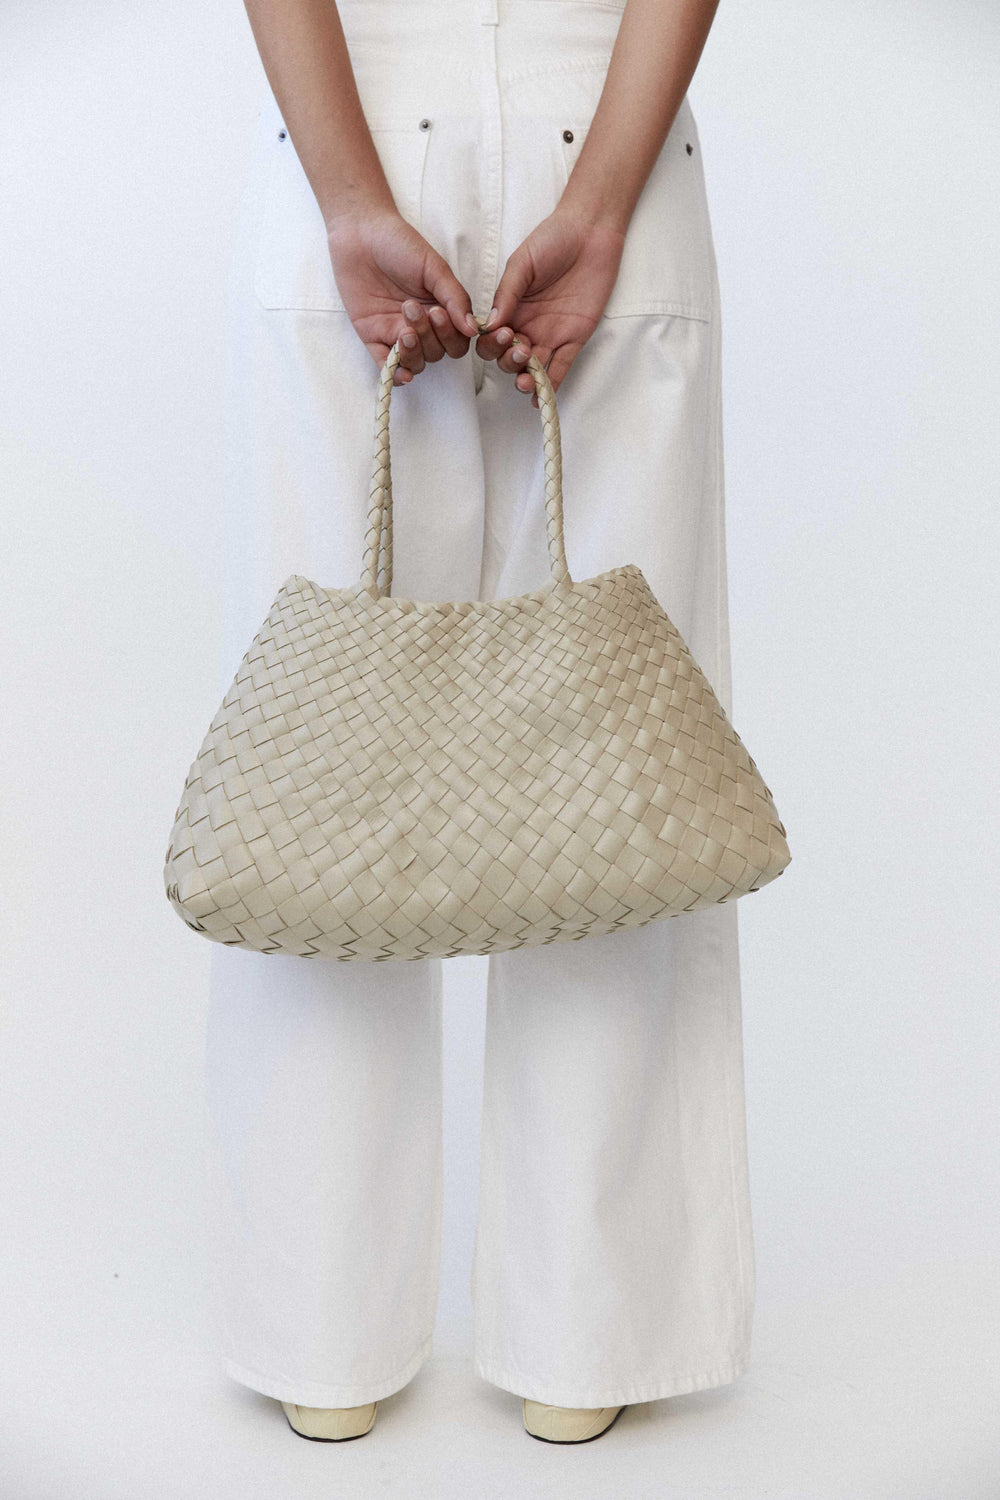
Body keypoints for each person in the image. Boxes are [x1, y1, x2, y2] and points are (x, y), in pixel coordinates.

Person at [203, 0, 752, 1447]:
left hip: (354, 126)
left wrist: (349, 200)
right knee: (616, 795)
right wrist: (602, 202)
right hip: (609, 131)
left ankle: (319, 1326)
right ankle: (590, 1328)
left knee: (323, 801)